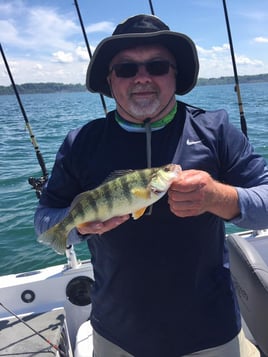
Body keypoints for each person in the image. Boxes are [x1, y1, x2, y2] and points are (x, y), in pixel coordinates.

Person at [35, 14, 268, 357]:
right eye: (127, 69)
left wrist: (221, 197)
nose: (142, 78)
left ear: (175, 74)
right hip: (117, 333)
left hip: (212, 330)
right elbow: (44, 221)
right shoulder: (81, 143)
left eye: (157, 66)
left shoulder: (216, 130)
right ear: (110, 81)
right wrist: (79, 227)